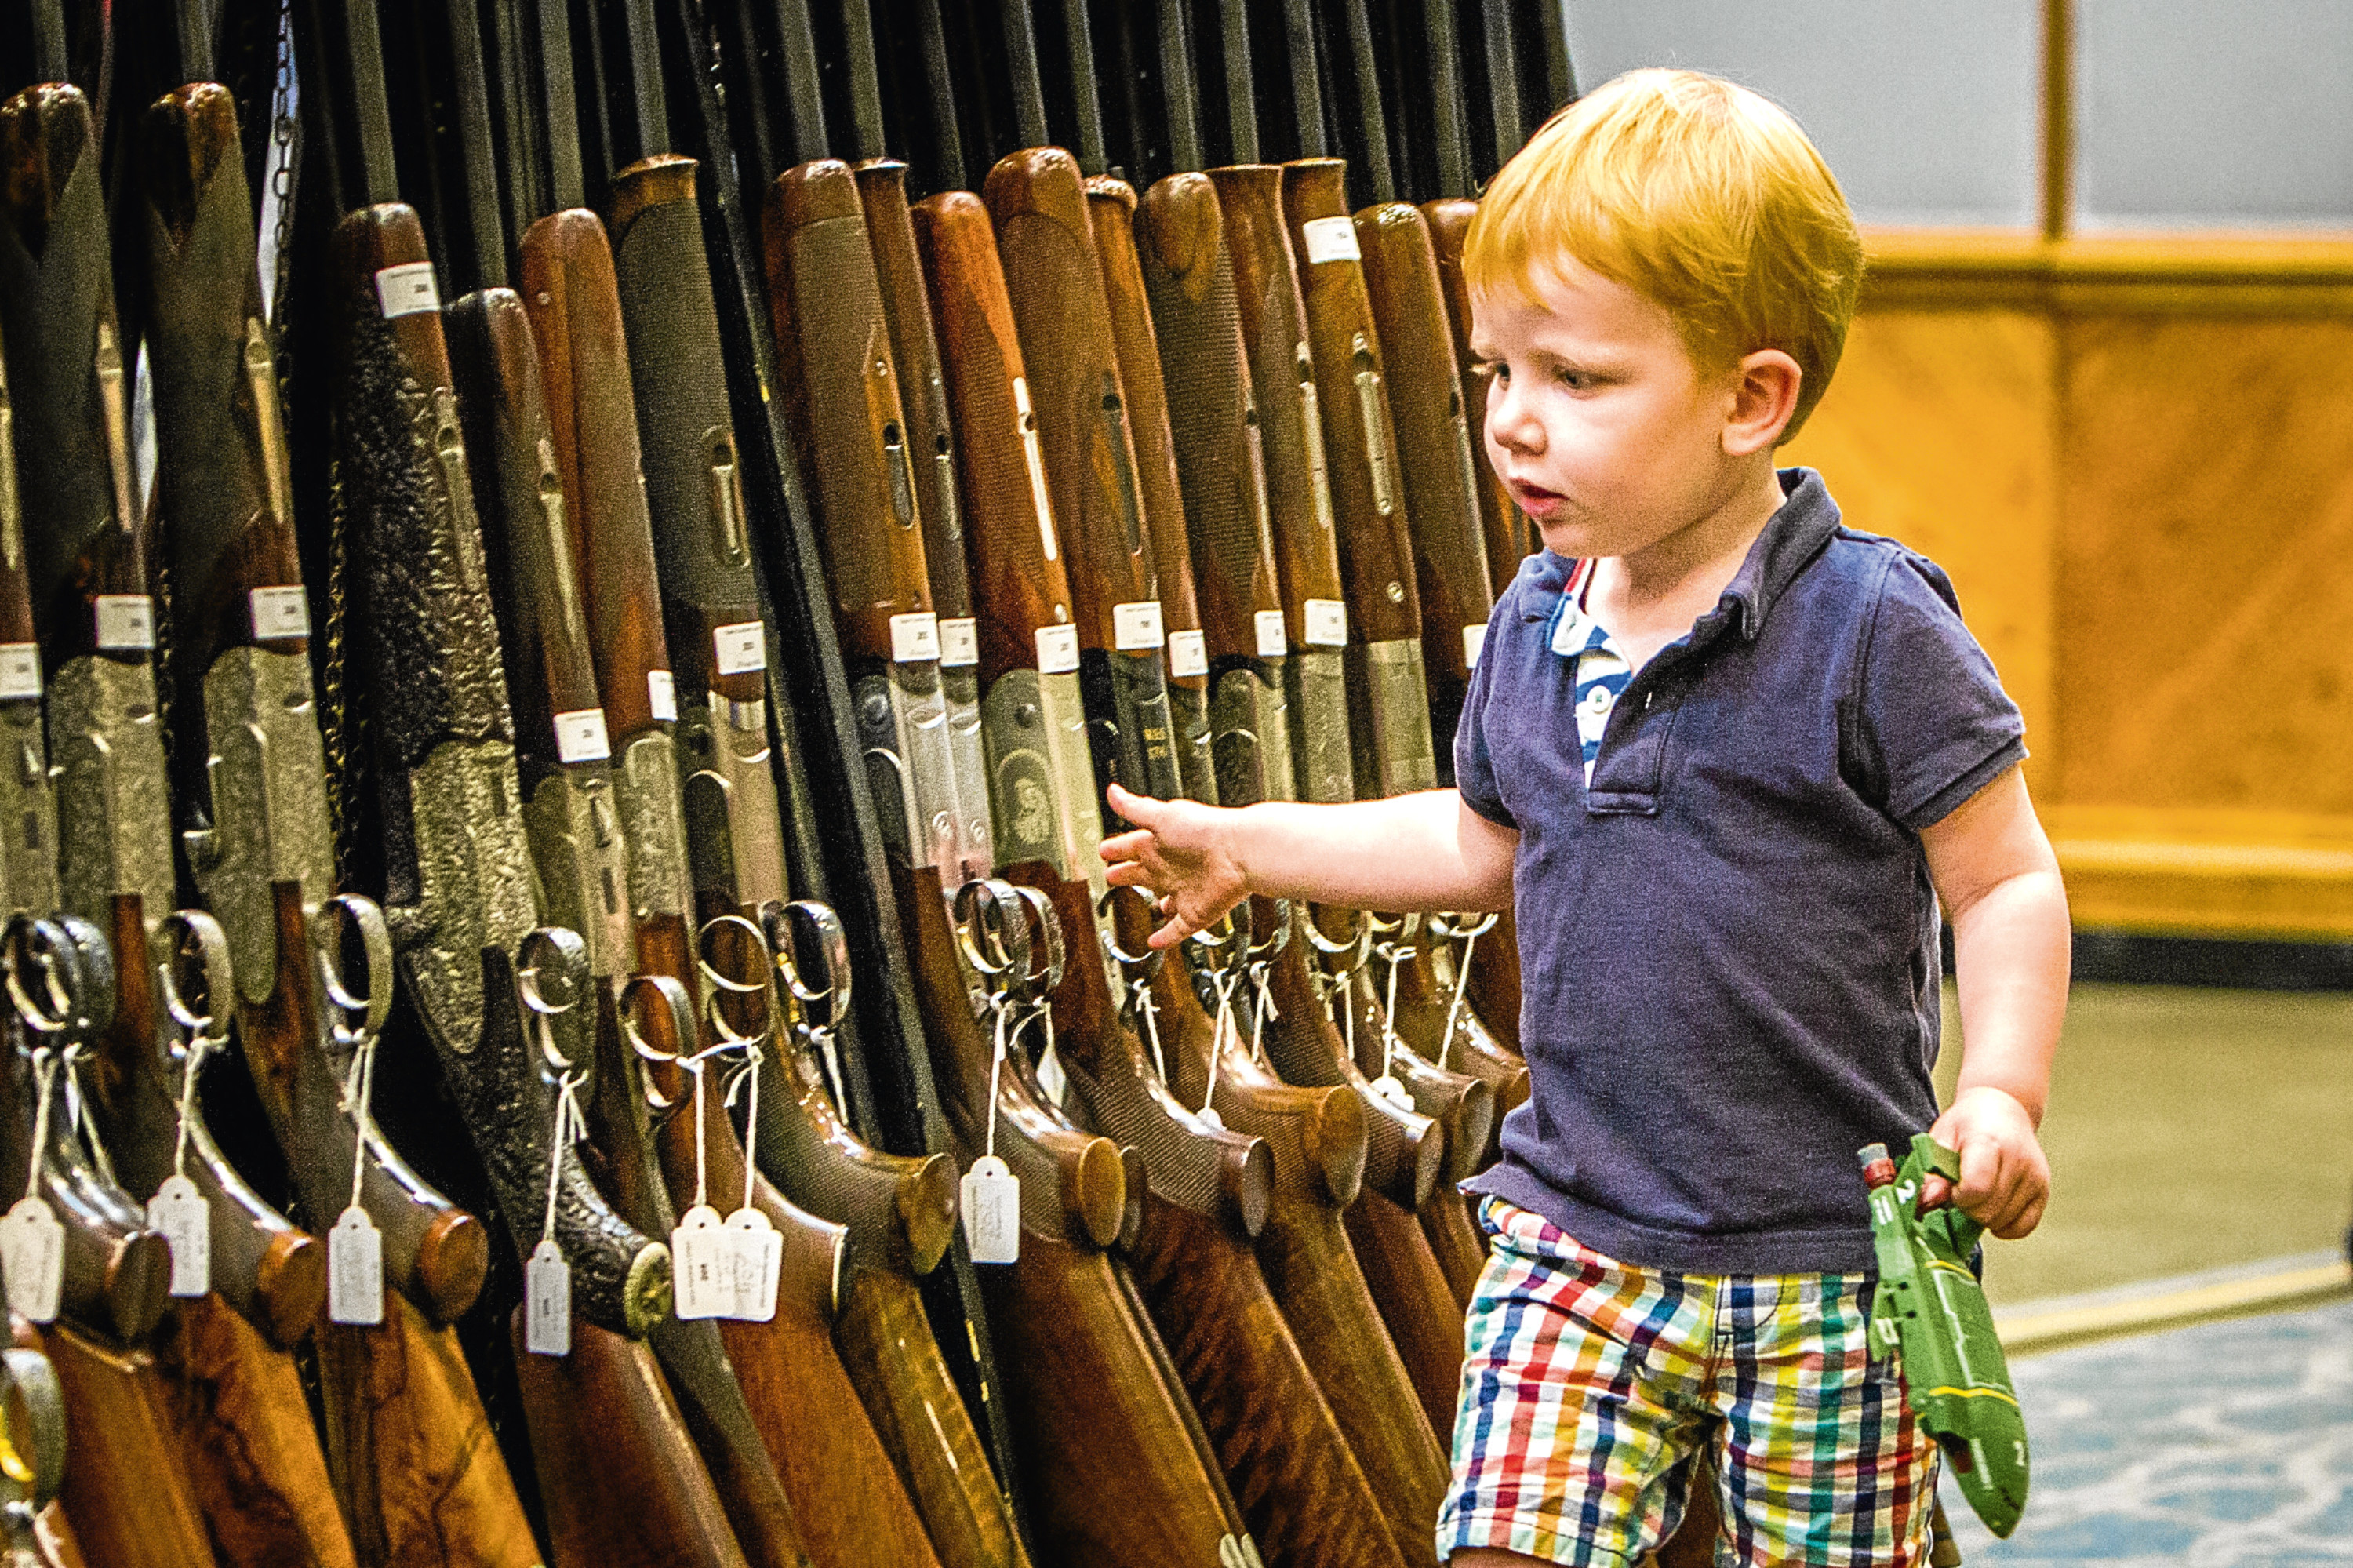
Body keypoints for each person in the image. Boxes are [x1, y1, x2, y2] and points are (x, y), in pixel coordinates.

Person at [1100, 67, 2069, 1566]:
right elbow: (1480, 843)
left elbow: (2002, 882)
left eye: (1578, 381)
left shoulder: (1874, 627)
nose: (1513, 427)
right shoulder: (1538, 616)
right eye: (1496, 374)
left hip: (1826, 1263)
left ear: (1754, 399)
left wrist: (2000, 1092)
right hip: (1574, 1238)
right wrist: (1252, 843)